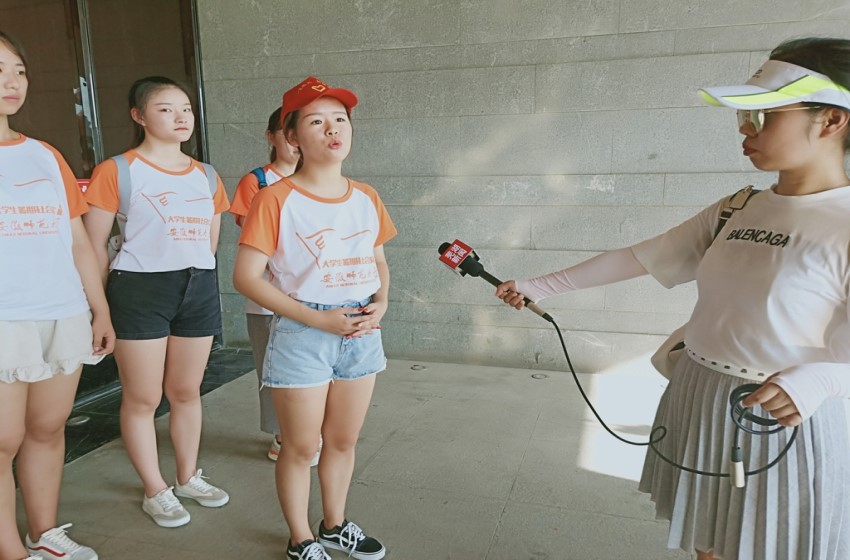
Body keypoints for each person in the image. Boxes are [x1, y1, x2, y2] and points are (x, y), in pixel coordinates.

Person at [496, 37, 850, 560]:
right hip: (699, 392)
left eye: (764, 116)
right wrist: (538, 287)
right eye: (744, 116)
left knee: (771, 546)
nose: (744, 129)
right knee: (708, 541)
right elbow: (643, 256)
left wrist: (821, 379)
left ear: (832, 120)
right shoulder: (739, 206)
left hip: (785, 413)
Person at [233, 77, 395, 560]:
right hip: (303, 333)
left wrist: (382, 301)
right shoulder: (275, 198)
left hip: (362, 330)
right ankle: (300, 538)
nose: (332, 129)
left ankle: (334, 525)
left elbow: (378, 260)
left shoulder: (365, 196)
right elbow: (246, 277)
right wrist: (316, 319)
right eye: (317, 121)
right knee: (300, 447)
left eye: (340, 119)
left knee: (342, 440)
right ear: (292, 137)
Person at [82, 76, 231, 529]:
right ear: (139, 116)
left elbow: (210, 244)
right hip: (139, 289)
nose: (180, 117)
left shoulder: (207, 175)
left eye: (185, 108)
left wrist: (196, 278)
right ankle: (155, 489)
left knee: (186, 391)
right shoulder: (118, 170)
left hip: (197, 286)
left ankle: (187, 477)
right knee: (143, 397)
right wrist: (100, 309)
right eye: (165, 109)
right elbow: (91, 246)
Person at [0, 31, 114, 560]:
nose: (12, 82)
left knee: (46, 429)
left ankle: (43, 536)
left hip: (61, 312)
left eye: (18, 70)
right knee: (2, 442)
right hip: (5, 320)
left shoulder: (45, 155)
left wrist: (99, 309)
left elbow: (77, 242)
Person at [231, 107, 321, 464]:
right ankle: (283, 436)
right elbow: (255, 241)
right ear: (272, 137)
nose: (296, 143)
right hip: (269, 299)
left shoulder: (320, 181)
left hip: (316, 298)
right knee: (274, 372)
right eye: (287, 133)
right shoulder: (257, 182)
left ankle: (308, 431)